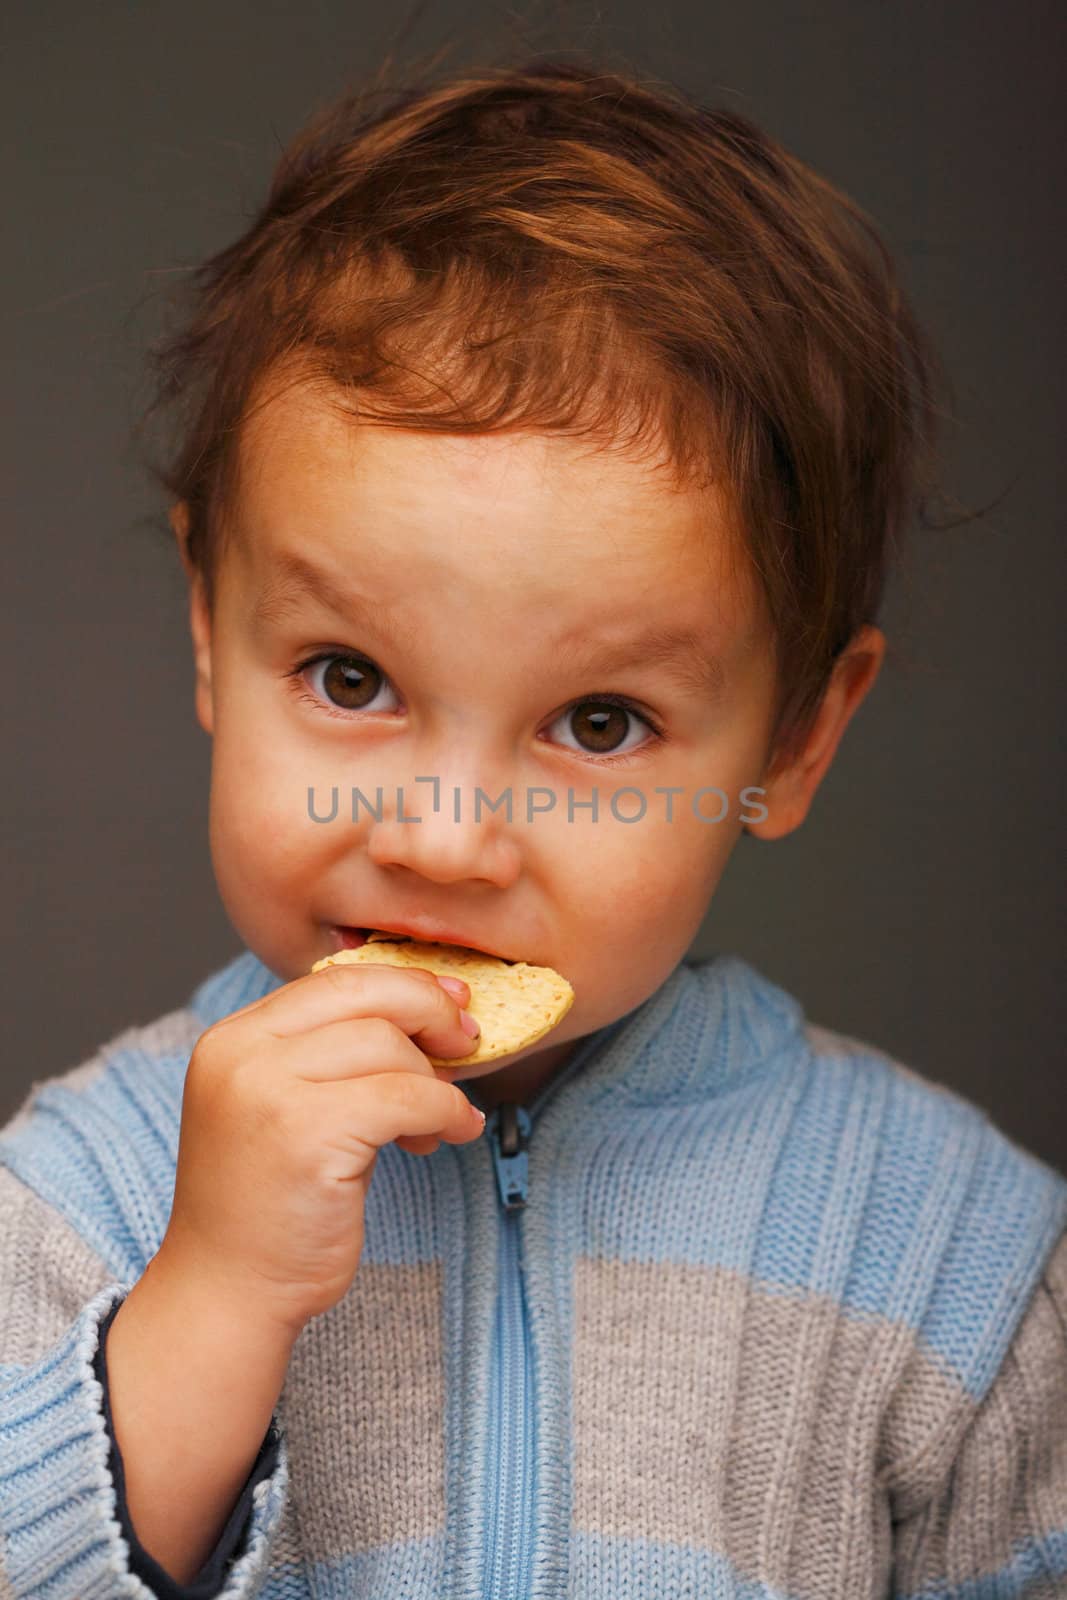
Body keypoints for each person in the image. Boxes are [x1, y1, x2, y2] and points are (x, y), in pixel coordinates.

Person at [1, 51, 1064, 1600]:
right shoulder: (78, 1196)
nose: (440, 837)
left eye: (598, 724)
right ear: (206, 632)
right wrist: (208, 1299)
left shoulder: (956, 1258)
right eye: (351, 678)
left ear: (796, 738)